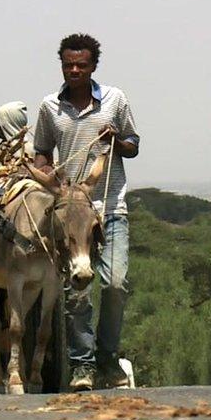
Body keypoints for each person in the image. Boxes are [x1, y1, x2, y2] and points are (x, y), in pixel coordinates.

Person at [33, 33, 140, 391]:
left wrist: (116, 141)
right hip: (69, 213)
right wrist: (47, 175)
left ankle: (107, 358)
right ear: (61, 66)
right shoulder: (50, 107)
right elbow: (42, 152)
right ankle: (82, 365)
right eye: (68, 65)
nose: (74, 70)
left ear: (93, 66)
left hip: (109, 207)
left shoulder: (115, 100)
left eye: (81, 64)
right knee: (77, 290)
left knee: (114, 284)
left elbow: (133, 145)